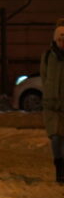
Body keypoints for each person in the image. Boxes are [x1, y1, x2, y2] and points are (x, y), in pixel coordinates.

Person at [39, 20, 64, 184]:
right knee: (55, 138)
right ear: (55, 40)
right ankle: (59, 170)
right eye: (60, 40)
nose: (62, 43)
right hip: (51, 105)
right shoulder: (48, 56)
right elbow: (44, 76)